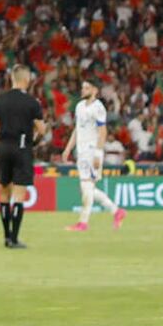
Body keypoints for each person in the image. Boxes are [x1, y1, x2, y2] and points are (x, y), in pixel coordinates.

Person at [0, 65, 44, 248]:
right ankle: (14, 238)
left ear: (12, 79)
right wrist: (33, 141)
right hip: (22, 147)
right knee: (19, 195)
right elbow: (41, 129)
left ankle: (6, 237)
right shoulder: (32, 102)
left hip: (3, 147)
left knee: (4, 192)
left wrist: (1, 137)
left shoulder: (0, 100)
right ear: (27, 79)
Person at [60, 80, 124, 232]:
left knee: (86, 187)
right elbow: (77, 129)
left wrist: (98, 153)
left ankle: (83, 223)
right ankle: (116, 211)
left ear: (95, 90)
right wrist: (68, 148)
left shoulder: (98, 107)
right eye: (82, 87)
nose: (83, 90)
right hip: (81, 151)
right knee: (86, 189)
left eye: (87, 87)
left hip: (92, 150)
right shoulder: (79, 106)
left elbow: (102, 132)